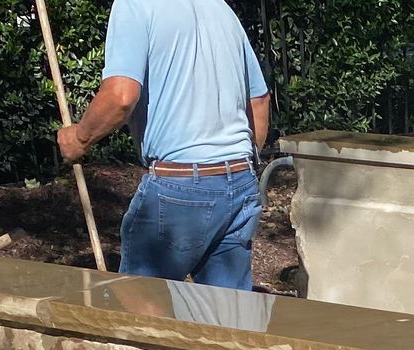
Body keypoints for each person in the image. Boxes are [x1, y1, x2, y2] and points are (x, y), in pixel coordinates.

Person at [59, 0, 272, 290]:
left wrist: (78, 139)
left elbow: (121, 96)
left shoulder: (134, 5)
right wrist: (240, 168)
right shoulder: (220, 8)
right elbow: (258, 101)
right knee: (231, 319)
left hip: (179, 189)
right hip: (240, 182)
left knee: (142, 312)